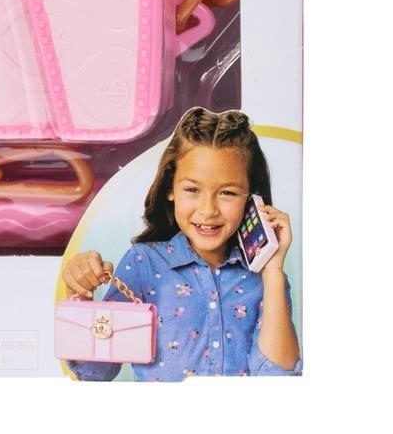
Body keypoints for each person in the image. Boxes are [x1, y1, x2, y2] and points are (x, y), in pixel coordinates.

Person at [61, 107, 300, 380]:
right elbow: (96, 372)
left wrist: (273, 272)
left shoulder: (266, 278)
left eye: (227, 192)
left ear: (251, 199)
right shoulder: (143, 264)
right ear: (170, 189)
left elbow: (277, 377)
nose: (208, 210)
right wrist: (79, 297)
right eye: (192, 189)